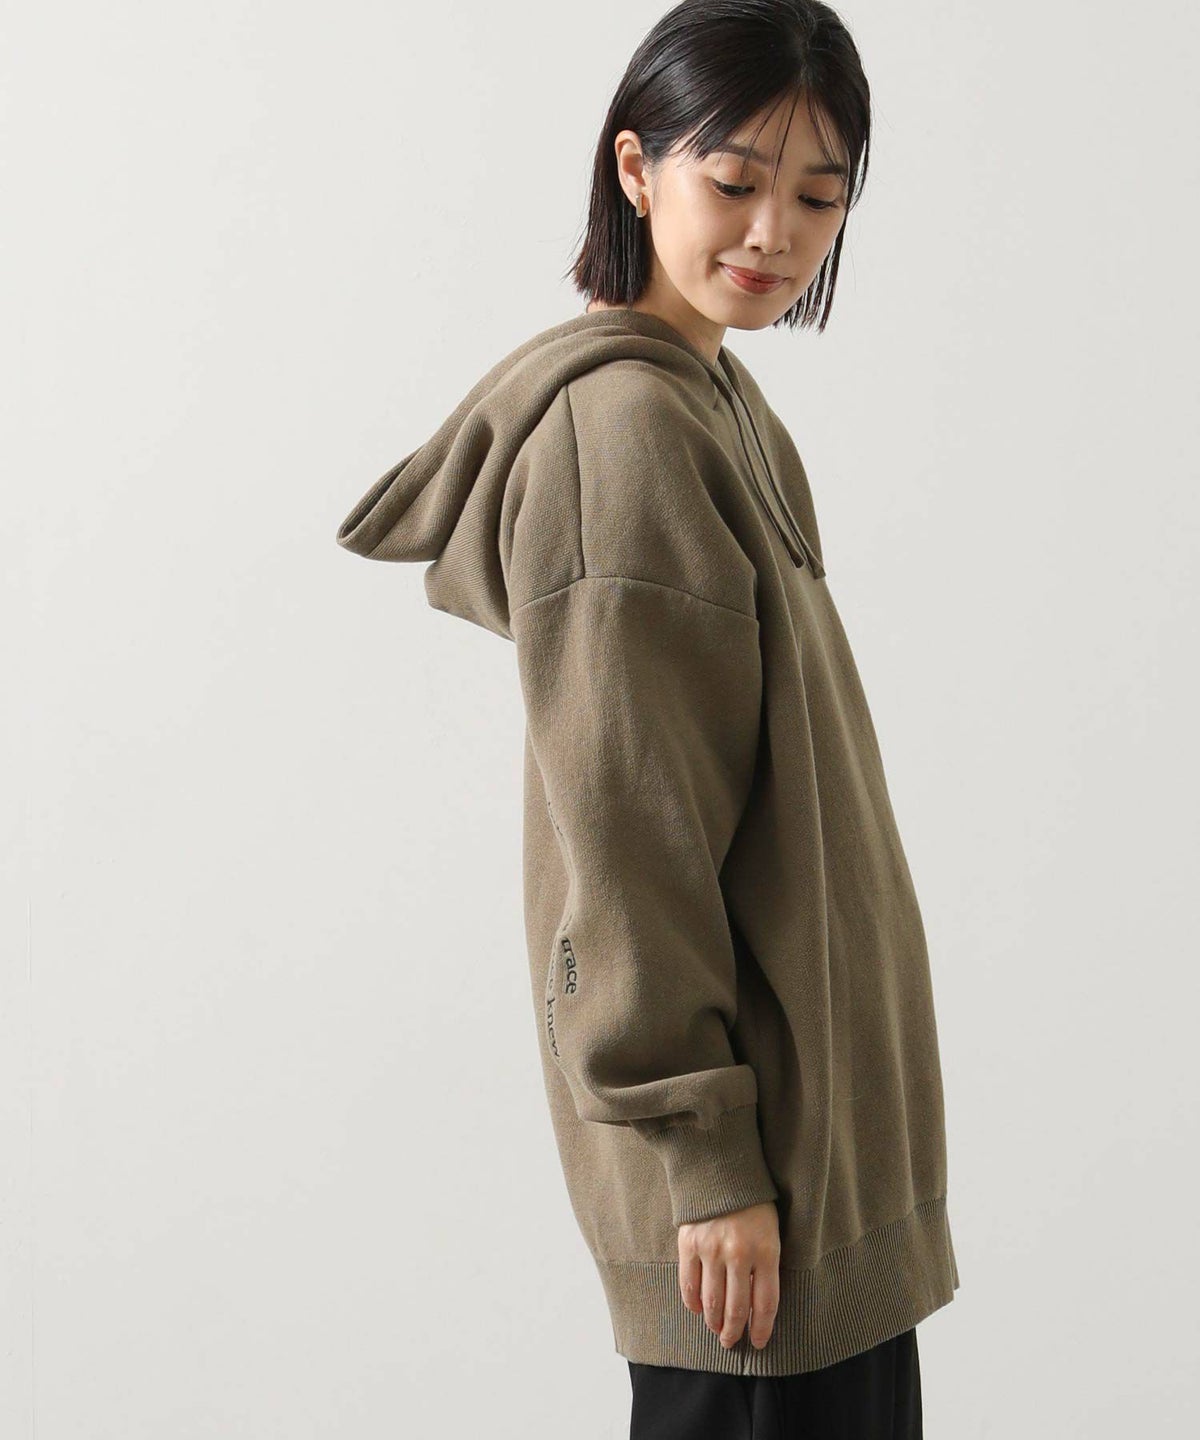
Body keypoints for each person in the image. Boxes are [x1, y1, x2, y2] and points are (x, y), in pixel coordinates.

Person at [335, 2, 959, 1434]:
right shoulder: (623, 439)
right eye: (733, 181)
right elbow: (631, 844)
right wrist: (707, 1163)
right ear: (636, 170)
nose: (776, 234)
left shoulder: (722, 408)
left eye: (819, 196)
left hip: (819, 1174)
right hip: (749, 1203)